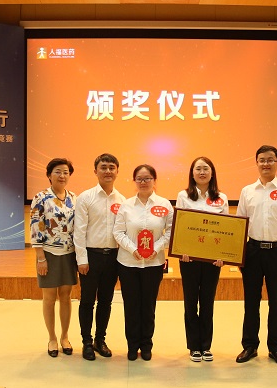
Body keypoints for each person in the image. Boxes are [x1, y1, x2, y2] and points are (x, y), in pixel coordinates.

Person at [235, 145, 277, 366]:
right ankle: (249, 346)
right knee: (251, 302)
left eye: (270, 160)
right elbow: (239, 225)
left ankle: (276, 348)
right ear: (256, 163)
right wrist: (238, 254)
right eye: (262, 160)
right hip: (252, 252)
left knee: (276, 303)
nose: (266, 164)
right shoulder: (247, 191)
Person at [113, 164, 173, 361]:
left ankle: (146, 345)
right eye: (139, 179)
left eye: (147, 178)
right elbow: (118, 232)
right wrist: (134, 249)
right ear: (134, 181)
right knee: (131, 306)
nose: (143, 182)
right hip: (128, 263)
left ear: (154, 181)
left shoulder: (165, 204)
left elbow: (171, 232)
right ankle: (132, 345)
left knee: (148, 306)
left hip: (154, 264)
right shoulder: (126, 205)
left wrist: (156, 248)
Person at [175, 157, 229, 363]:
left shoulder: (222, 198)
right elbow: (180, 226)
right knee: (190, 302)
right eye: (198, 169)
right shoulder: (183, 196)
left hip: (212, 260)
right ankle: (193, 346)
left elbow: (227, 229)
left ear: (212, 172)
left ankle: (206, 346)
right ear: (192, 173)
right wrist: (182, 250)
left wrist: (223, 254)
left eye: (206, 168)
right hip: (188, 258)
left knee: (207, 302)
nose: (202, 172)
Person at [73, 153, 126, 361]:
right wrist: (81, 260)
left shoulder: (122, 200)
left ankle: (99, 340)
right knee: (87, 301)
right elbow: (79, 231)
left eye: (112, 167)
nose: (108, 171)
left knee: (106, 301)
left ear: (117, 171)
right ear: (95, 171)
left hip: (113, 257)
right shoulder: (85, 197)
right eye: (103, 167)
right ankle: (86, 342)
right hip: (91, 256)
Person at [30, 158, 77, 358]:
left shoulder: (74, 198)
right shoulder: (40, 197)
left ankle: (65, 336)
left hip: (69, 254)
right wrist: (40, 257)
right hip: (48, 254)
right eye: (58, 171)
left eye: (66, 172)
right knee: (49, 298)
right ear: (49, 175)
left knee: (66, 297)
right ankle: (52, 338)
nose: (62, 175)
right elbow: (36, 227)